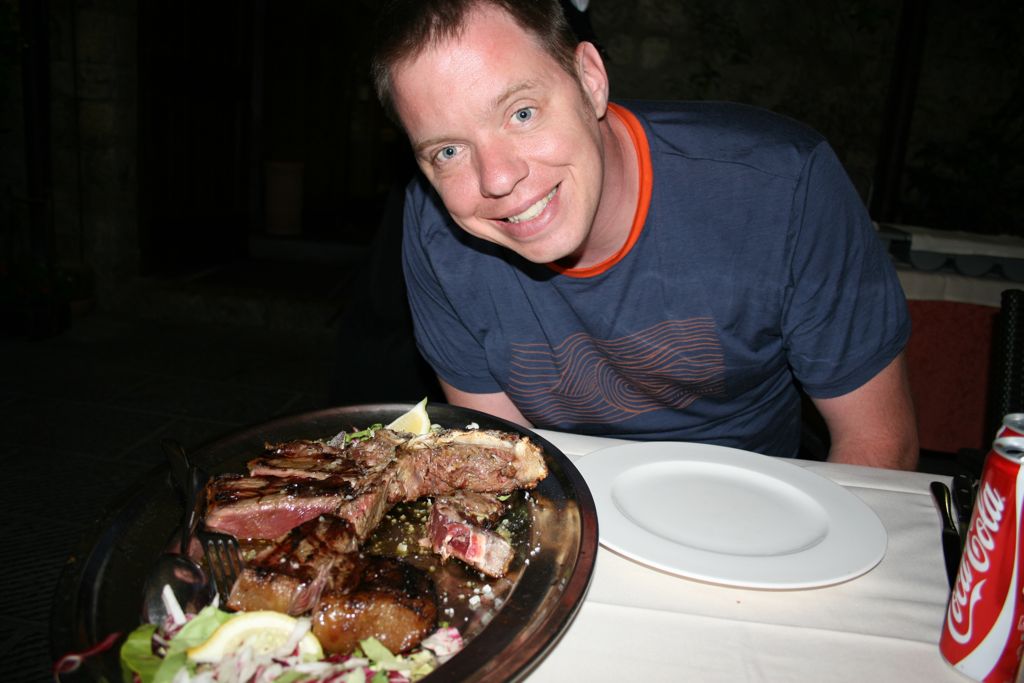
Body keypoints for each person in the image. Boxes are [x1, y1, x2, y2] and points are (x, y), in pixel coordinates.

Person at [370, 0, 919, 469]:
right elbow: (500, 456)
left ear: (590, 79)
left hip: (754, 517)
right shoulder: (436, 225)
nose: (497, 179)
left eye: (522, 113)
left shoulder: (783, 189)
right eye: (448, 150)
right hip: (568, 512)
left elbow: (879, 444)